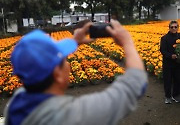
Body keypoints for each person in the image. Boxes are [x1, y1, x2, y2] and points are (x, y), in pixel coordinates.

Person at [4, 19, 148, 125]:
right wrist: (128, 43)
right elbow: (134, 85)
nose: (68, 62)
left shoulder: (15, 104)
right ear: (57, 74)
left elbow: (40, 67)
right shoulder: (71, 117)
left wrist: (74, 41)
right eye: (64, 60)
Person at [160, 20, 180, 104]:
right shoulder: (164, 38)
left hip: (178, 63)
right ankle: (168, 97)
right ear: (169, 28)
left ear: (178, 27)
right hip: (168, 63)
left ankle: (175, 96)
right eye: (172, 27)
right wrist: (170, 56)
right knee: (167, 81)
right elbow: (162, 50)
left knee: (178, 80)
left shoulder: (179, 36)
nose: (174, 28)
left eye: (175, 27)